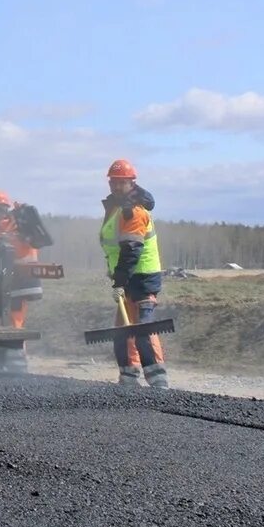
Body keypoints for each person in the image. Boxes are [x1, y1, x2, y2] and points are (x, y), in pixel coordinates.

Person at [101, 159, 168, 389]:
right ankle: (128, 378)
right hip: (126, 278)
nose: (116, 186)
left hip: (142, 278)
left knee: (142, 328)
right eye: (113, 182)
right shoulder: (116, 208)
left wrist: (119, 280)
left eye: (121, 182)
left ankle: (158, 381)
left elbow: (131, 250)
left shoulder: (133, 211)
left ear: (132, 183)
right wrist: (117, 278)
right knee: (122, 330)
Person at [0, 190, 41, 372]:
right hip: (4, 283)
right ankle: (4, 361)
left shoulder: (15, 227)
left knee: (14, 322)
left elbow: (18, 251)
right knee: (2, 321)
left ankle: (17, 365)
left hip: (19, 282)